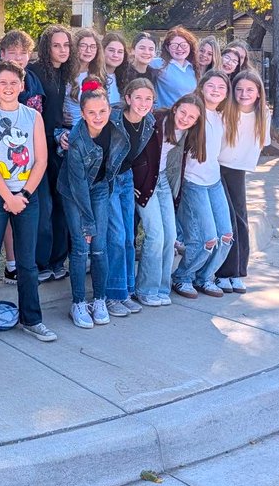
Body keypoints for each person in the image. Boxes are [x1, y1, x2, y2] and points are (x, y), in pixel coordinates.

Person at [0, 61, 57, 347]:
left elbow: (41, 159)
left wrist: (25, 196)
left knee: (27, 263)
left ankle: (32, 319)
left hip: (26, 196)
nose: (8, 87)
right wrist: (8, 197)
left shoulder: (33, 117)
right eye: (2, 83)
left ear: (22, 86)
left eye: (13, 83)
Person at [58, 83, 126, 328]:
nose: (98, 117)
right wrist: (88, 224)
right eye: (92, 113)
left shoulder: (116, 124)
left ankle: (99, 299)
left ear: (110, 109)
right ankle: (78, 302)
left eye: (103, 111)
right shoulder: (77, 141)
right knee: (80, 246)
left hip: (99, 188)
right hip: (76, 192)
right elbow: (77, 187)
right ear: (83, 114)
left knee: (99, 247)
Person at [131, 94, 205, 306]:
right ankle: (145, 289)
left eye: (191, 117)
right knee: (155, 235)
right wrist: (136, 182)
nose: (185, 118)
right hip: (146, 181)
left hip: (162, 180)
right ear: (175, 108)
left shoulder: (189, 132)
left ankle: (161, 288)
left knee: (170, 235)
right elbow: (136, 150)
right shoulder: (156, 121)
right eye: (183, 112)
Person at [171, 70, 232, 299]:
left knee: (225, 236)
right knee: (206, 239)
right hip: (193, 182)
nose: (216, 90)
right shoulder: (194, 113)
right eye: (211, 86)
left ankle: (204, 277)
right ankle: (182, 276)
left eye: (221, 87)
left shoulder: (222, 116)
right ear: (202, 86)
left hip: (214, 181)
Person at [0, 30, 47, 282]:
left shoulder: (33, 80)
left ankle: (24, 261)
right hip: (1, 155)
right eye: (12, 52)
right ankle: (12, 261)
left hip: (29, 156)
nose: (18, 57)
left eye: (23, 52)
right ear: (2, 53)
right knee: (6, 206)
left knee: (25, 205)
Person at [215, 71, 271, 294]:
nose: (243, 94)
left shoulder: (262, 115)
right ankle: (223, 273)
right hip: (218, 168)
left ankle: (238, 272)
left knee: (241, 220)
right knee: (228, 220)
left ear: (258, 93)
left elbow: (263, 142)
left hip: (238, 171)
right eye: (239, 89)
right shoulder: (225, 112)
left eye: (249, 90)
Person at [104, 78, 156, 316]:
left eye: (148, 98)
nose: (143, 103)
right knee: (116, 237)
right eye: (138, 97)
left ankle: (125, 290)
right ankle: (111, 295)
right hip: (109, 180)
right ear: (127, 98)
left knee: (128, 237)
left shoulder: (149, 121)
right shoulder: (112, 117)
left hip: (127, 180)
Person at [29, 25, 75, 283]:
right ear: (47, 47)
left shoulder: (68, 74)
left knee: (61, 206)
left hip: (62, 147)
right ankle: (40, 262)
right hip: (39, 148)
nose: (62, 50)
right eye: (56, 45)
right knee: (43, 207)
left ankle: (59, 260)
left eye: (66, 45)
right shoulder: (34, 73)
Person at [63, 28, 108, 128]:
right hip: (71, 129)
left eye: (93, 47)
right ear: (75, 47)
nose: (88, 50)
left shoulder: (98, 74)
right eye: (83, 46)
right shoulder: (65, 72)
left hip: (93, 129)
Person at [151, 27, 199, 107]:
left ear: (190, 46)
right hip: (165, 115)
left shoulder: (192, 68)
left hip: (185, 116)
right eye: (174, 46)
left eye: (184, 45)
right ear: (167, 47)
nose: (179, 49)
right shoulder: (160, 64)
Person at [103, 32, 129, 106]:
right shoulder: (92, 76)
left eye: (120, 52)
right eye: (111, 50)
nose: (115, 55)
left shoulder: (122, 78)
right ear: (102, 51)